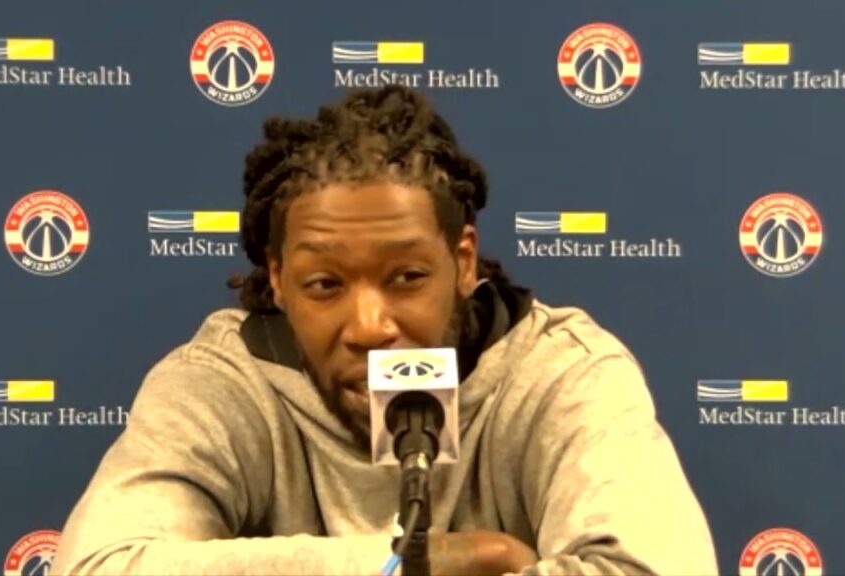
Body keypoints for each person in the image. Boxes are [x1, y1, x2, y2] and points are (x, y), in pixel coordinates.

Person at [50, 86, 717, 576]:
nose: (371, 327)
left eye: (405, 278)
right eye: (325, 286)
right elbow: (100, 567)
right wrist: (444, 560)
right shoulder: (222, 384)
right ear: (277, 279)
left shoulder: (560, 372)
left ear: (460, 262)